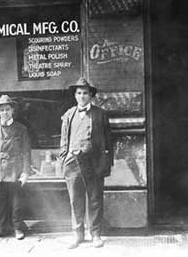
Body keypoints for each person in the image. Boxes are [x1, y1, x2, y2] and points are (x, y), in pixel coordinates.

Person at [59, 77, 113, 249]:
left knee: (95, 199)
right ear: (75, 95)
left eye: (85, 93)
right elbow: (63, 139)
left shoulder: (100, 114)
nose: (82, 96)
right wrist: (64, 157)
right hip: (73, 164)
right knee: (76, 200)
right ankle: (78, 234)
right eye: (79, 93)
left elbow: (108, 140)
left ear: (91, 95)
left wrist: (106, 162)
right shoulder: (69, 114)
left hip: (94, 163)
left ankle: (96, 234)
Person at [0, 95, 31, 241]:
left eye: (7, 109)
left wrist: (25, 172)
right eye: (2, 110)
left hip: (15, 170)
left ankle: (17, 228)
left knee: (17, 202)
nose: (5, 112)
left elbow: (26, 151)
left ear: (12, 111)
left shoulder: (21, 128)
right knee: (0, 202)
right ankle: (2, 228)